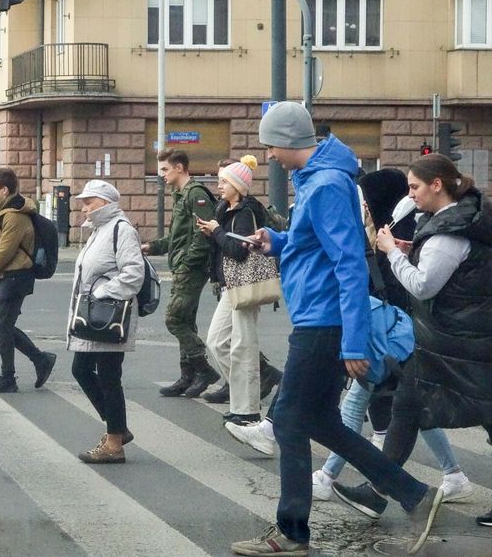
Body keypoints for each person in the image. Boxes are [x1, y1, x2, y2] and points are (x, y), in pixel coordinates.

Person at [228, 102, 442, 557]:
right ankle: (412, 493)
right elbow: (319, 246)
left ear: (287, 141)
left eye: (269, 146)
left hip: (323, 321)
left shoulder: (324, 184)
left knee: (286, 420)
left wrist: (351, 342)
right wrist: (278, 240)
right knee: (319, 420)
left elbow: (348, 264)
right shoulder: (320, 178)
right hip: (320, 317)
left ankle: (291, 532)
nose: (267, 155)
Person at [332, 154, 492, 528]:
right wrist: (411, 248)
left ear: (437, 185)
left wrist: (393, 253)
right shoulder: (456, 220)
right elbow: (446, 266)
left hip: (457, 342)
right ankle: (379, 491)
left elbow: (423, 286)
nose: (411, 194)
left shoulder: (448, 231)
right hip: (457, 339)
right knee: (409, 408)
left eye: (415, 187)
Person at [311, 167, 472, 505]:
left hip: (399, 336)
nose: (364, 206)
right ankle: (453, 473)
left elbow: (413, 285)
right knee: (415, 410)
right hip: (400, 335)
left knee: (358, 405)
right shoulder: (391, 228)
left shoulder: (400, 231)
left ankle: (328, 476)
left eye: (367, 199)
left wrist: (391, 251)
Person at [196, 156, 279, 424]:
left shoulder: (243, 213)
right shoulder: (225, 208)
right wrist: (214, 232)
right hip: (231, 286)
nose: (219, 186)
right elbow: (226, 246)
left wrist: (217, 230)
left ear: (238, 186)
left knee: (243, 347)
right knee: (217, 341)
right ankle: (243, 398)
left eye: (223, 182)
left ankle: (247, 410)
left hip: (244, 285)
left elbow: (238, 252)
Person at [67, 180, 143, 464]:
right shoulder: (100, 230)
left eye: (89, 202)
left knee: (109, 376)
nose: (84, 208)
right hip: (93, 316)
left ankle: (114, 441)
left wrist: (101, 293)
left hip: (109, 316)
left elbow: (133, 274)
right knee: (82, 369)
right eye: (83, 202)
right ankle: (117, 429)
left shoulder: (121, 231)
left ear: (106, 203)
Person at [143, 149, 221, 398]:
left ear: (179, 167)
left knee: (174, 319)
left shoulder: (195, 194)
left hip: (192, 269)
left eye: (165, 169)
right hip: (182, 266)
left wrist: (188, 263)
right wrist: (153, 246)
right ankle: (187, 376)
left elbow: (203, 234)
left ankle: (204, 369)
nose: (162, 175)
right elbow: (179, 236)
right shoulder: (181, 194)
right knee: (185, 321)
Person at [0, 167, 57, 393]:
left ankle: (9, 378)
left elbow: (4, 250)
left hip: (16, 276)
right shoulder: (5, 211)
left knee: (0, 327)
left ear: (5, 190)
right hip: (11, 276)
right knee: (4, 325)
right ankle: (40, 360)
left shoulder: (14, 215)